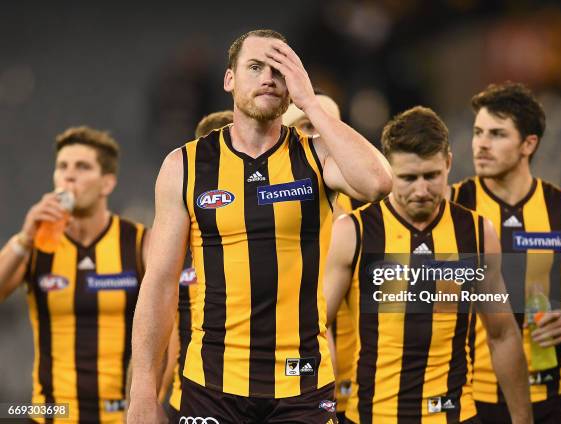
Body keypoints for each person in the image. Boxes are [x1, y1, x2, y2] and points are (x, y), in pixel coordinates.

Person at [128, 29, 392, 424]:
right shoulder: (184, 166)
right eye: (255, 67)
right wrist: (143, 395)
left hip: (301, 388)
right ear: (229, 79)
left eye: (279, 70)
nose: (268, 77)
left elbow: (378, 182)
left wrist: (311, 104)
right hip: (212, 387)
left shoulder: (315, 157)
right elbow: (160, 282)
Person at [324, 106, 532, 423]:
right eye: (408, 178)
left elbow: (502, 334)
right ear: (389, 170)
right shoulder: (355, 231)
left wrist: (522, 419)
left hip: (454, 415)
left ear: (448, 163)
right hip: (370, 416)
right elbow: (315, 328)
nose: (421, 191)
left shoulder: (476, 234)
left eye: (431, 176)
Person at [451, 81, 561, 423]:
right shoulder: (452, 205)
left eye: (497, 134)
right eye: (478, 132)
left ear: (528, 143)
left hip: (550, 397)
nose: (481, 145)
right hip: (468, 397)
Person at [0, 126, 148, 424]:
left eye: (82, 167)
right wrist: (24, 237)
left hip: (121, 417)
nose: (69, 176)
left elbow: (168, 327)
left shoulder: (138, 242)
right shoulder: (37, 244)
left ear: (107, 183)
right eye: (62, 167)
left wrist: (148, 403)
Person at [282, 93, 356, 423]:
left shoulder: (369, 214)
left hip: (360, 390)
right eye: (307, 126)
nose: (319, 138)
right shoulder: (250, 213)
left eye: (329, 128)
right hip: (284, 386)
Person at [159, 110, 234, 423]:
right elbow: (167, 337)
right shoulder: (174, 237)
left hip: (288, 394)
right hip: (193, 403)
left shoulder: (317, 229)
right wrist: (147, 398)